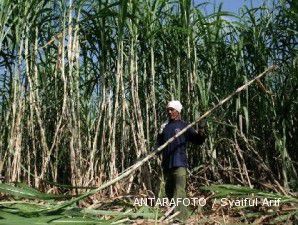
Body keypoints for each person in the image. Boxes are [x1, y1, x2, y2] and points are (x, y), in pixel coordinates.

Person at [156, 100, 206, 222]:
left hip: (179, 163)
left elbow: (198, 141)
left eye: (172, 109)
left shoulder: (184, 126)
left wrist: (202, 132)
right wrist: (157, 146)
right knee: (169, 191)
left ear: (178, 111)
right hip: (167, 164)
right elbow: (159, 145)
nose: (169, 111)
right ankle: (174, 214)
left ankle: (181, 219)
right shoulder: (164, 127)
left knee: (179, 191)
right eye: (168, 109)